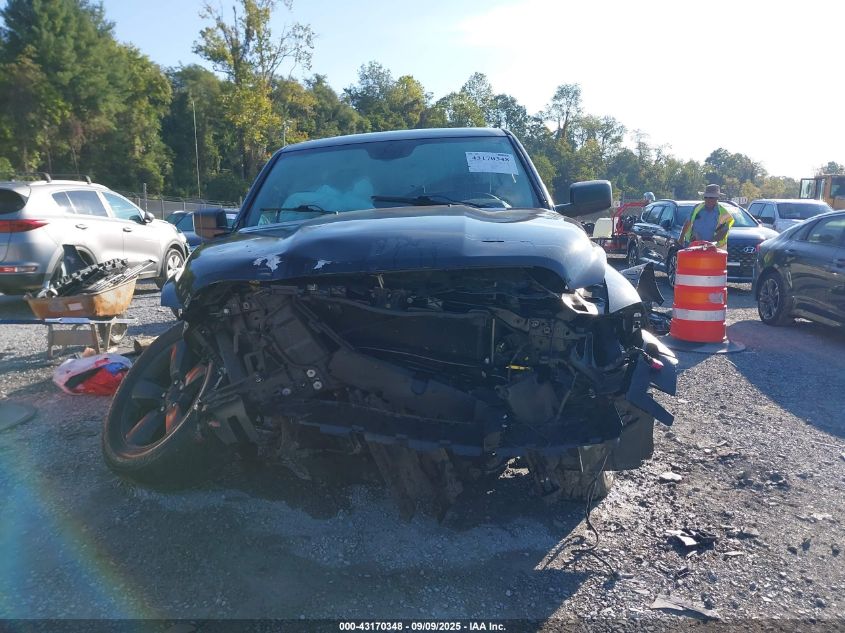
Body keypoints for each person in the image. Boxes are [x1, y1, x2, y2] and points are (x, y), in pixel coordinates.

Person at [680, 184, 734, 248]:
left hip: (714, 248)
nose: (708, 199)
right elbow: (687, 223)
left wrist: (709, 244)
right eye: (706, 197)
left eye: (711, 197)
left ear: (717, 198)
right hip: (694, 245)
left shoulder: (723, 213)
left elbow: (723, 232)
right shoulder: (697, 208)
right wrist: (681, 238)